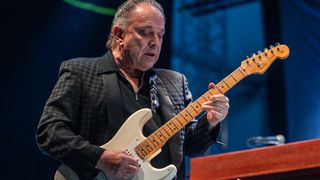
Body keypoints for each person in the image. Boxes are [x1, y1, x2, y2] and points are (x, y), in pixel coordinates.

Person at [36, 0, 230, 179]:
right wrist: (101, 158)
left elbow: (191, 146)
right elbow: (49, 132)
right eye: (146, 32)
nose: (156, 42)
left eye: (160, 34)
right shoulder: (81, 72)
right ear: (119, 34)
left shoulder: (174, 82)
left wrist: (211, 122)